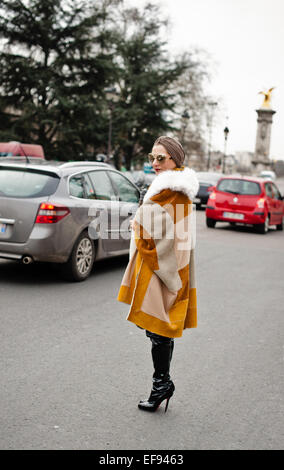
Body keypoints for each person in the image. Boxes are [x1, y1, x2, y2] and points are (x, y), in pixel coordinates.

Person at [117, 136, 199, 413]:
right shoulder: (167, 189)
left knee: (159, 327)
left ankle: (161, 384)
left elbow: (163, 234)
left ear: (175, 158)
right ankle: (162, 383)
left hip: (163, 268)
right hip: (161, 266)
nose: (154, 163)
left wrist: (139, 225)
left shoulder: (175, 192)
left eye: (160, 158)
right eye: (152, 157)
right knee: (158, 328)